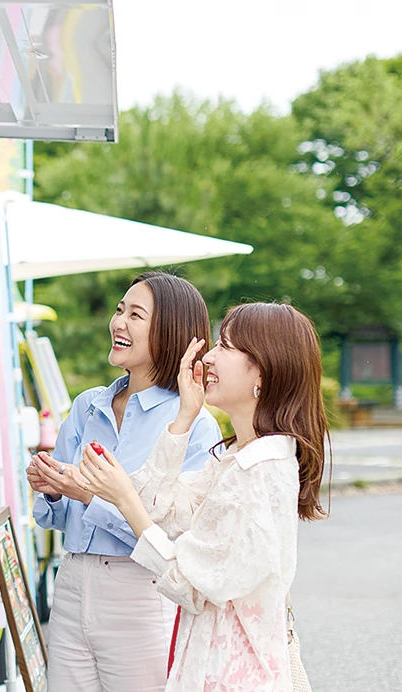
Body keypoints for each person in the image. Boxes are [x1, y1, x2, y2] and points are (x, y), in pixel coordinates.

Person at [76, 303, 329, 691]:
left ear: (261, 372)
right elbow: (162, 511)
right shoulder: (239, 458)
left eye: (225, 346)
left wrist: (124, 499)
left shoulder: (256, 471)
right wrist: (185, 415)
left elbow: (190, 585)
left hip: (231, 675)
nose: (208, 357)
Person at [26, 272, 223, 692]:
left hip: (141, 592)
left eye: (136, 315)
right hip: (72, 582)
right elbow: (54, 517)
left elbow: (176, 535)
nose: (118, 322)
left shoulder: (193, 424)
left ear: (169, 331)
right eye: (119, 310)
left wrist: (88, 495)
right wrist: (53, 488)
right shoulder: (87, 406)